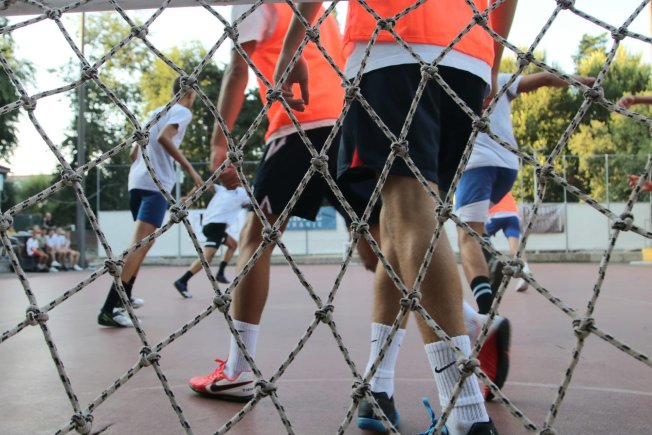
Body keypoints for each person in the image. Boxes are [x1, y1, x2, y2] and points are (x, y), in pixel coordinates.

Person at [275, 1, 517, 433]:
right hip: (470, 57)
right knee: (396, 221)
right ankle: (378, 387)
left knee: (409, 212)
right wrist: (493, 58)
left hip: (392, 44)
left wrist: (293, 48)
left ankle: (465, 414)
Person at [188, 2, 382, 402]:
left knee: (255, 239)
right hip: (347, 123)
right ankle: (467, 322)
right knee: (378, 248)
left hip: (297, 124)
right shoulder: (319, 7)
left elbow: (238, 69)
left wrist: (219, 142)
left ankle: (238, 370)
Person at [455, 72, 595, 313]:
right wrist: (582, 80)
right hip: (508, 167)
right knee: (478, 229)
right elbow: (546, 78)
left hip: (477, 163)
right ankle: (489, 254)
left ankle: (486, 311)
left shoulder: (454, 77)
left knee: (466, 235)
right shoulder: (500, 78)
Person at [97, 77, 202, 328]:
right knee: (139, 245)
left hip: (137, 183)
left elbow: (134, 152)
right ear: (190, 94)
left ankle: (125, 296)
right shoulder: (182, 111)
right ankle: (109, 309)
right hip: (155, 186)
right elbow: (165, 138)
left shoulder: (155, 112)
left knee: (145, 244)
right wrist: (190, 170)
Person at [173, 183, 250, 298]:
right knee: (207, 257)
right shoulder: (223, 189)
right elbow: (201, 184)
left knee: (233, 245)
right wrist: (188, 197)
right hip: (215, 226)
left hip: (216, 227)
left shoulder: (240, 193)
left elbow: (249, 203)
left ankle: (220, 273)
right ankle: (182, 281)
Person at [484, 192, 529, 292]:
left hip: (495, 215)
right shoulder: (505, 185)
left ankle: (492, 262)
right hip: (512, 214)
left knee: (478, 238)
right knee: (515, 248)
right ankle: (526, 270)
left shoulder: (486, 184)